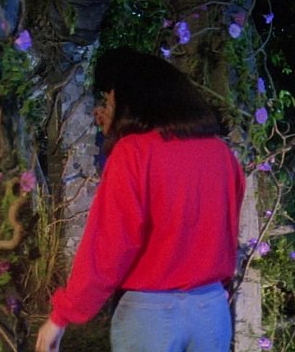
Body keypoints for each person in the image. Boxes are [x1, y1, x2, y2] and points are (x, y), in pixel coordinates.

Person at [35, 47, 245, 352]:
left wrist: (62, 315)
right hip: (211, 310)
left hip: (151, 315)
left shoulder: (133, 153)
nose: (105, 110)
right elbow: (226, 232)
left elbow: (110, 246)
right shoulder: (219, 153)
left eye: (110, 102)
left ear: (134, 102)